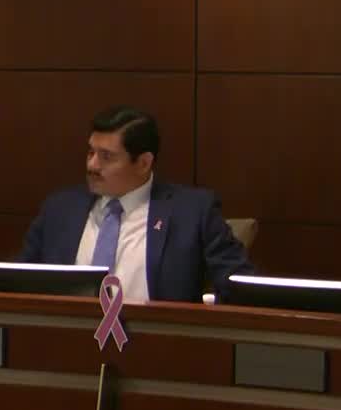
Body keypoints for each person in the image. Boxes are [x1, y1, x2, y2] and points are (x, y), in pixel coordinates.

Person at [18, 106, 250, 303]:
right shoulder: (60, 209)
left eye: (106, 156)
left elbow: (240, 287)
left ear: (143, 163)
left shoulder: (193, 212)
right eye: (90, 152)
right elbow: (19, 283)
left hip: (157, 338)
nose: (92, 165)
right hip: (66, 336)